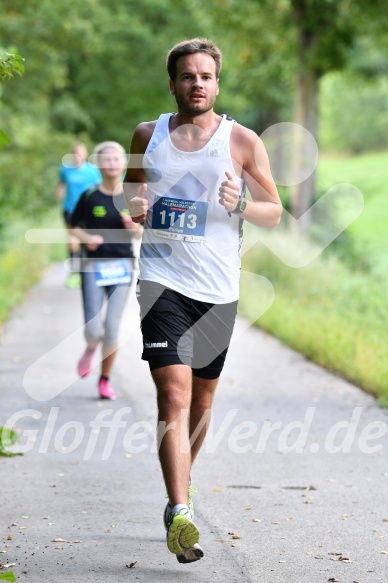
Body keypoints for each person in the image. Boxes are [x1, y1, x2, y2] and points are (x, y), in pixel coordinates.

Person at [124, 38, 282, 562]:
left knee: (202, 403)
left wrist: (242, 204)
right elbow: (131, 195)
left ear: (217, 82)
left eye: (206, 76)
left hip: (218, 290)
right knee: (174, 396)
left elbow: (275, 211)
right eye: (187, 76)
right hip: (161, 282)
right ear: (172, 84)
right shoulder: (147, 136)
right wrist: (138, 206)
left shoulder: (241, 141)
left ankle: (180, 492)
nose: (198, 84)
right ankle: (181, 510)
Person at [70, 141, 143, 400]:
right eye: (107, 159)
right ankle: (91, 346)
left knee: (112, 327)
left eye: (116, 159)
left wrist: (132, 226)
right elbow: (72, 227)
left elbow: (142, 230)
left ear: (124, 164)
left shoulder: (132, 196)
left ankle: (104, 379)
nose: (112, 164)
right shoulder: (89, 195)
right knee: (93, 328)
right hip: (93, 266)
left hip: (123, 266)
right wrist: (86, 237)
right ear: (99, 164)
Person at [56, 142, 102, 288]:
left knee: (86, 240)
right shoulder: (65, 170)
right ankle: (73, 274)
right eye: (75, 152)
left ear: (85, 154)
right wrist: (59, 194)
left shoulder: (93, 171)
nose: (78, 155)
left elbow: (99, 188)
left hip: (87, 209)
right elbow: (61, 184)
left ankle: (86, 273)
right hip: (69, 208)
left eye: (80, 152)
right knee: (72, 239)